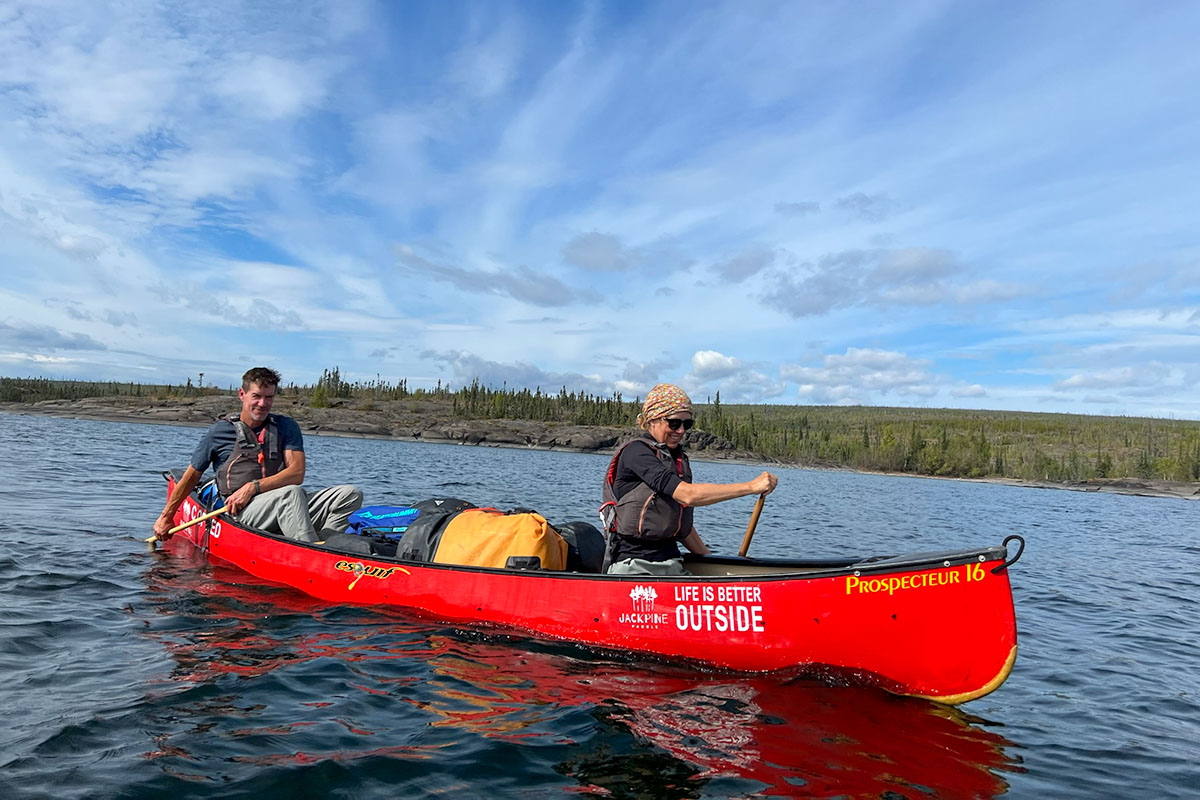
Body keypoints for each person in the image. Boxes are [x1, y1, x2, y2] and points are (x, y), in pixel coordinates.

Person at [153, 366, 363, 543]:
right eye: (257, 396)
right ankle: (308, 548)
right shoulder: (220, 431)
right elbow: (192, 476)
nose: (263, 404)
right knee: (291, 494)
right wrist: (166, 516)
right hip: (239, 510)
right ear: (242, 395)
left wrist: (253, 487)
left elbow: (296, 473)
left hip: (283, 502)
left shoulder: (286, 427)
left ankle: (325, 545)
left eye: (269, 397)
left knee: (350, 494)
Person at [602, 383, 778, 575]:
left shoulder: (677, 459)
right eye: (674, 423)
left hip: (671, 563)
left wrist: (721, 568)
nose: (681, 431)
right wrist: (751, 486)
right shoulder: (636, 453)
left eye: (687, 424)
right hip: (634, 564)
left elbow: (684, 530)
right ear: (653, 420)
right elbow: (687, 495)